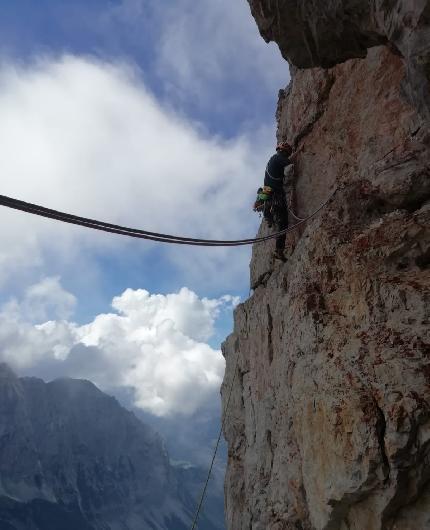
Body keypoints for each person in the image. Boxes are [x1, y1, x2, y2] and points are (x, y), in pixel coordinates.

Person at [255, 141, 293, 261]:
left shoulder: (273, 160)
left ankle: (269, 217)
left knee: (280, 221)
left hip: (270, 196)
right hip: (276, 197)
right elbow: (289, 164)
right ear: (284, 152)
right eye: (287, 153)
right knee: (283, 223)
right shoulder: (279, 158)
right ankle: (279, 250)